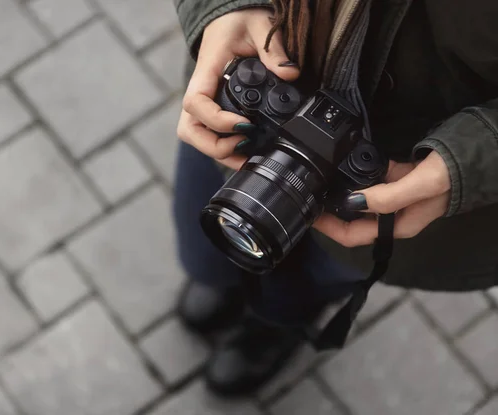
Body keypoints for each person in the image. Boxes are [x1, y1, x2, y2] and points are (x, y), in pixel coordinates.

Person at [172, 0, 498, 396]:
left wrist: (468, 160)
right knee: (208, 216)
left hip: (406, 180)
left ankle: (275, 323)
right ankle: (219, 277)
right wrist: (222, 9)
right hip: (252, 108)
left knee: (327, 269)